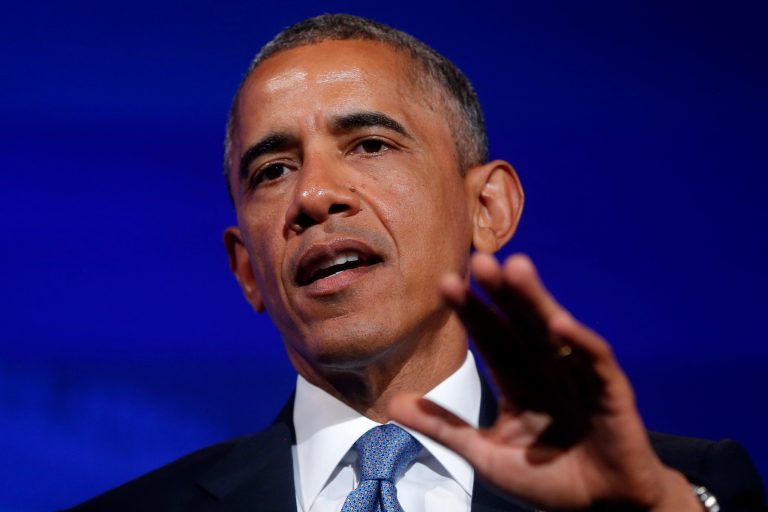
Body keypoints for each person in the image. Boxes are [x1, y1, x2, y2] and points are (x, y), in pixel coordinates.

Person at [68, 14, 766, 512]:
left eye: (370, 145)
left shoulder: (684, 487)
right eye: (274, 169)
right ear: (246, 268)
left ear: (487, 208)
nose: (313, 195)